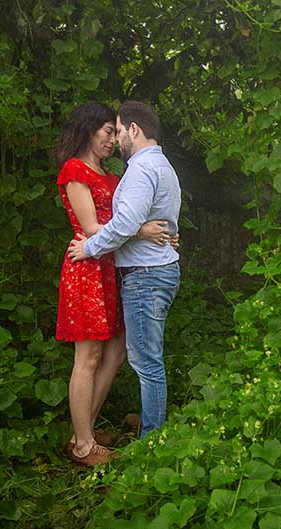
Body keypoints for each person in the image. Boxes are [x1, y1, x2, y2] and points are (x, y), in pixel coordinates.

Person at [55, 101, 175, 466]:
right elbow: (93, 230)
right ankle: (83, 446)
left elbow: (127, 214)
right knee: (88, 356)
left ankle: (84, 429)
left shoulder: (109, 173)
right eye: (107, 132)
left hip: (113, 266)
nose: (112, 140)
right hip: (88, 265)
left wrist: (158, 233)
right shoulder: (75, 170)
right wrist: (143, 231)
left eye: (115, 131)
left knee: (117, 351)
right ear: (88, 130)